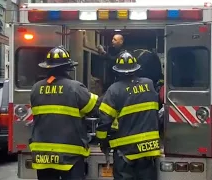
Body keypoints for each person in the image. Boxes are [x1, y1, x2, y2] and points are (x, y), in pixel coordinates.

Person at [29, 46, 99, 180]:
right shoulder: (75, 87)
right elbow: (93, 108)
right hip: (70, 154)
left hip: (42, 155)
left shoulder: (35, 88)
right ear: (68, 68)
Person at [95, 52, 161, 180]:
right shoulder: (149, 84)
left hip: (125, 152)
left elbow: (104, 120)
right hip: (148, 150)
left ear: (117, 72)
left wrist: (102, 141)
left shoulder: (114, 90)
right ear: (136, 68)